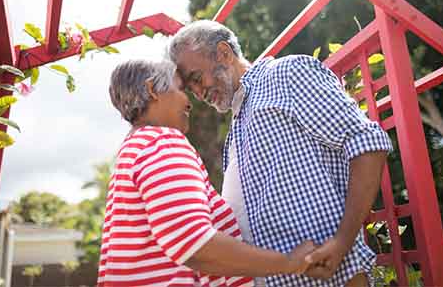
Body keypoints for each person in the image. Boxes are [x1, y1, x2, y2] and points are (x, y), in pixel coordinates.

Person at [168, 20, 393, 287]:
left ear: (224, 53)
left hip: (330, 278)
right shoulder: (234, 134)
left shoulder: (285, 73)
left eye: (196, 78)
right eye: (190, 88)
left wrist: (341, 243)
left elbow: (367, 141)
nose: (198, 93)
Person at [97, 59, 317, 287]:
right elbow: (195, 244)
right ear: (153, 90)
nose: (190, 103)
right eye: (180, 89)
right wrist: (289, 263)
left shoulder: (134, 149)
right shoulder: (161, 143)